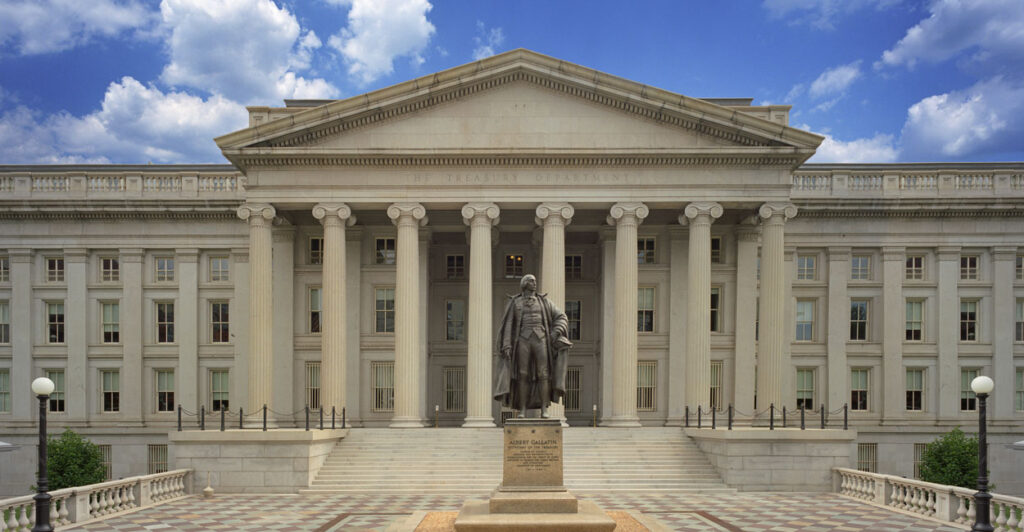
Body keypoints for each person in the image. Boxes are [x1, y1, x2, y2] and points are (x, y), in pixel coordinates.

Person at [493, 274, 572, 418]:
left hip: (541, 339)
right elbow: (508, 324)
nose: (534, 283)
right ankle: (522, 410)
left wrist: (554, 334)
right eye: (531, 281)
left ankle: (544, 409)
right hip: (522, 339)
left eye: (535, 281)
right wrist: (506, 345)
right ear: (524, 284)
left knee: (544, 374)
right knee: (523, 374)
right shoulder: (515, 302)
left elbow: (561, 317)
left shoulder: (544, 302)